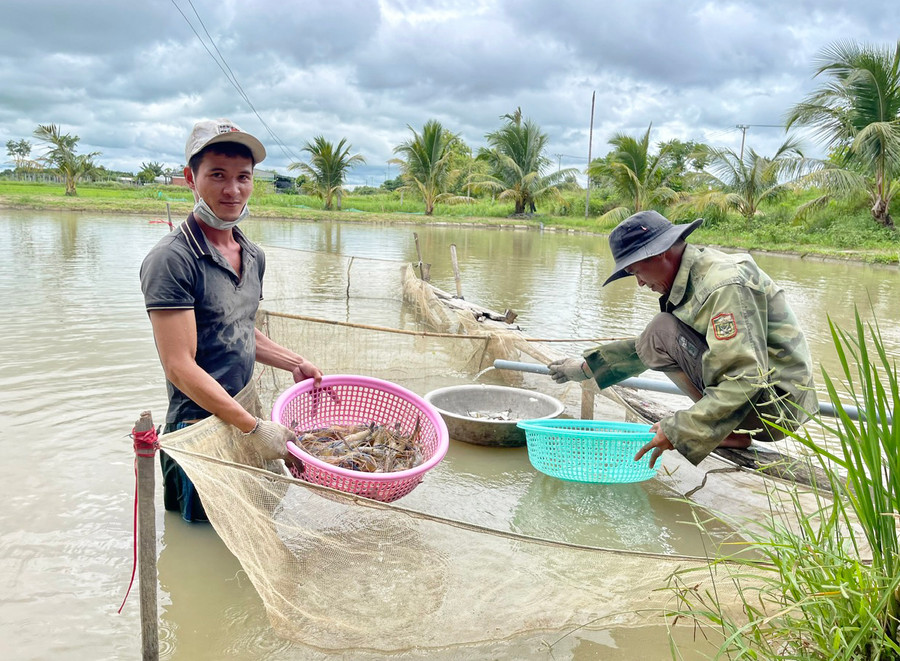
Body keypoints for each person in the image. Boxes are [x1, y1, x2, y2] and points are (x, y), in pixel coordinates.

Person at [140, 118, 323, 522]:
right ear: (191, 178)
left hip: (241, 412)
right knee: (204, 538)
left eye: (243, 177)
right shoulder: (172, 258)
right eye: (217, 175)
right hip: (198, 427)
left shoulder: (253, 255)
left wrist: (296, 363)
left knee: (251, 521)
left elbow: (239, 329)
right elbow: (179, 365)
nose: (232, 190)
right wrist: (253, 428)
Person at [548, 210, 817, 469]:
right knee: (661, 329)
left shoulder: (723, 285)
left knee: (661, 328)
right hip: (756, 401)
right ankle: (723, 429)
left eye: (636, 271)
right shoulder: (693, 277)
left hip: (774, 410)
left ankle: (721, 428)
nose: (639, 283)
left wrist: (682, 428)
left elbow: (744, 376)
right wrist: (585, 368)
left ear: (659, 253)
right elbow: (650, 346)